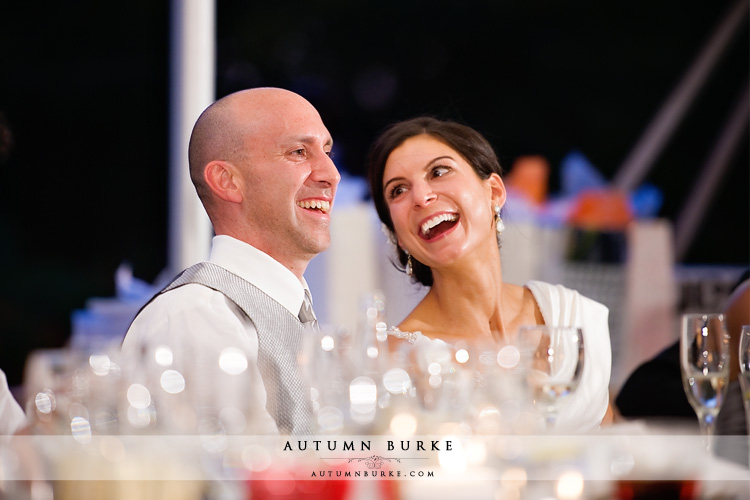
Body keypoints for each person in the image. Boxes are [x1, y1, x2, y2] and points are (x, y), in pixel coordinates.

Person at [366, 116, 613, 432]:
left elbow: (612, 447)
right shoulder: (397, 360)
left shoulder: (572, 316)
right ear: (399, 236)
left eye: (439, 172)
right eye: (398, 190)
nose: (421, 197)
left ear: (494, 192)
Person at [122, 88, 340, 435]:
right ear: (227, 181)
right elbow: (232, 481)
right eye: (299, 152)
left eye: (326, 151)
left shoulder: (289, 310)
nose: (331, 173)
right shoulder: (196, 316)